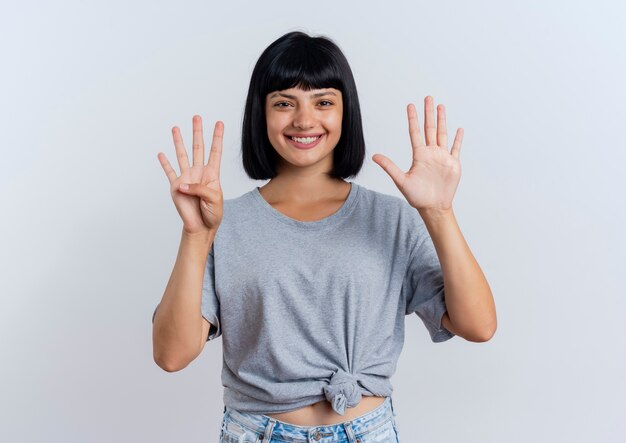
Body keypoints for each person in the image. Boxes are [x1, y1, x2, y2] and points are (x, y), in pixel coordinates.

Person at [152, 31, 496, 443]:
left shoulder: (391, 219)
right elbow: (171, 356)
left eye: (323, 101)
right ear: (260, 114)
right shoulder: (222, 222)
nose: (304, 119)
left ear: (345, 112)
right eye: (284, 102)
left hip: (369, 432)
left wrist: (439, 214)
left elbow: (478, 326)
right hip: (257, 433)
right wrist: (195, 235)